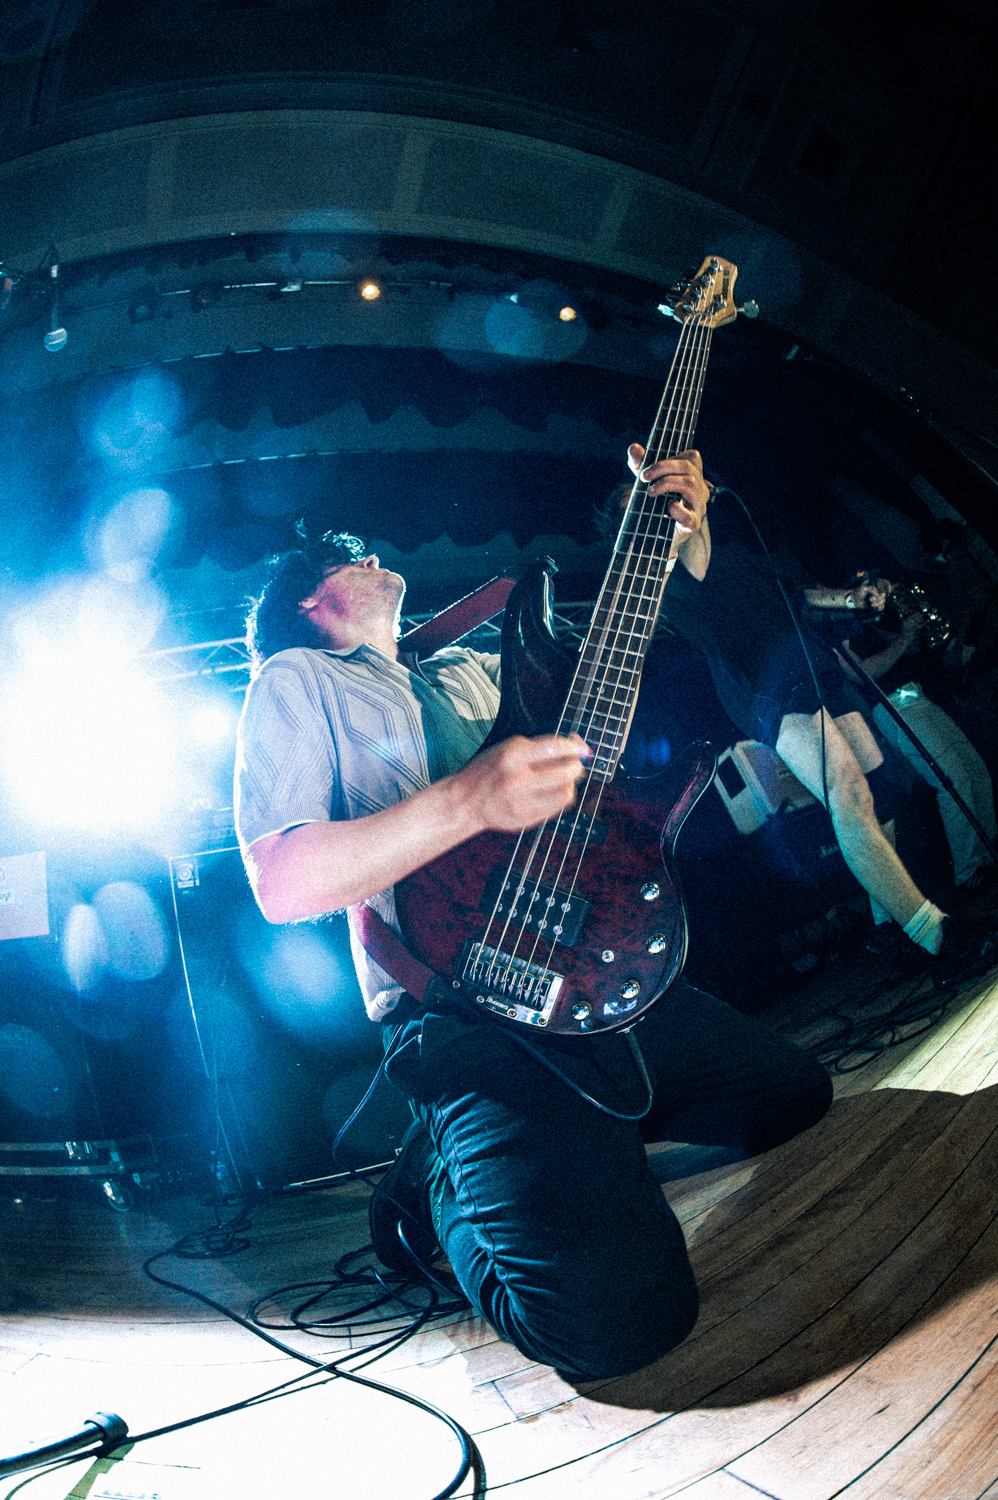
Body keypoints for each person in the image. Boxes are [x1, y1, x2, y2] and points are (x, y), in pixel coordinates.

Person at [233, 447, 832, 1383]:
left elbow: (621, 665)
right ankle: (443, 1181)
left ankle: (569, 1144)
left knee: (795, 1095)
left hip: (586, 974)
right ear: (308, 601)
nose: (373, 554)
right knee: (617, 1327)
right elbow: (282, 884)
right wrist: (469, 798)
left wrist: (677, 543)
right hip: (463, 1011)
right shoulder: (298, 679)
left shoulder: (477, 665)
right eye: (346, 558)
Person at [653, 457, 998, 977]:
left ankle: (888, 928)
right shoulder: (673, 563)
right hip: (766, 686)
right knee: (849, 792)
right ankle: (935, 934)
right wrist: (687, 505)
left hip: (813, 671)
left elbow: (799, 599)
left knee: (881, 788)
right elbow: (690, 543)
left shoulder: (736, 555)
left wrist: (852, 598)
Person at [841, 606, 997, 894]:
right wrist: (903, 639)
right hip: (895, 707)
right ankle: (969, 871)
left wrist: (909, 632)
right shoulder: (839, 635)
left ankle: (989, 853)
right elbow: (863, 673)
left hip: (919, 697)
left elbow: (911, 651)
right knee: (952, 780)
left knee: (976, 771)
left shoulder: (873, 621)